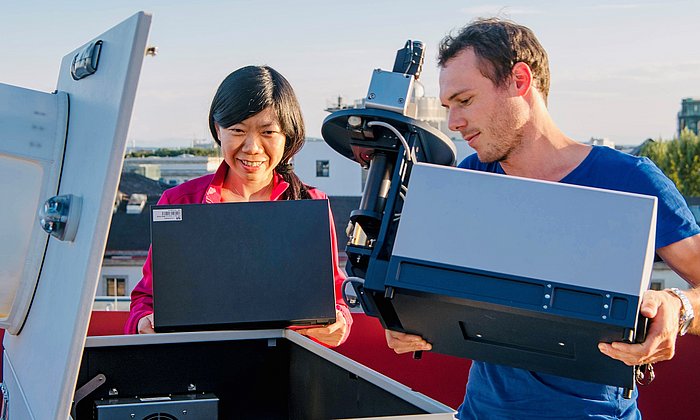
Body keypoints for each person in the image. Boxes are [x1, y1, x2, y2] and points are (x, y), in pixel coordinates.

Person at [385, 18, 700, 418]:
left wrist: (679, 307)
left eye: (464, 101)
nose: (453, 123)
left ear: (519, 80)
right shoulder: (469, 179)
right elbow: (426, 288)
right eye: (448, 107)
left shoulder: (629, 179)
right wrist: (403, 319)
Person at [125, 65, 352, 347]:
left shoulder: (310, 204)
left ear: (288, 136)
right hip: (199, 365)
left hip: (287, 367)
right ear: (218, 130)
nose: (252, 147)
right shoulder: (180, 202)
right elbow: (145, 301)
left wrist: (339, 324)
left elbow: (336, 299)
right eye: (237, 130)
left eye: (268, 132)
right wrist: (143, 321)